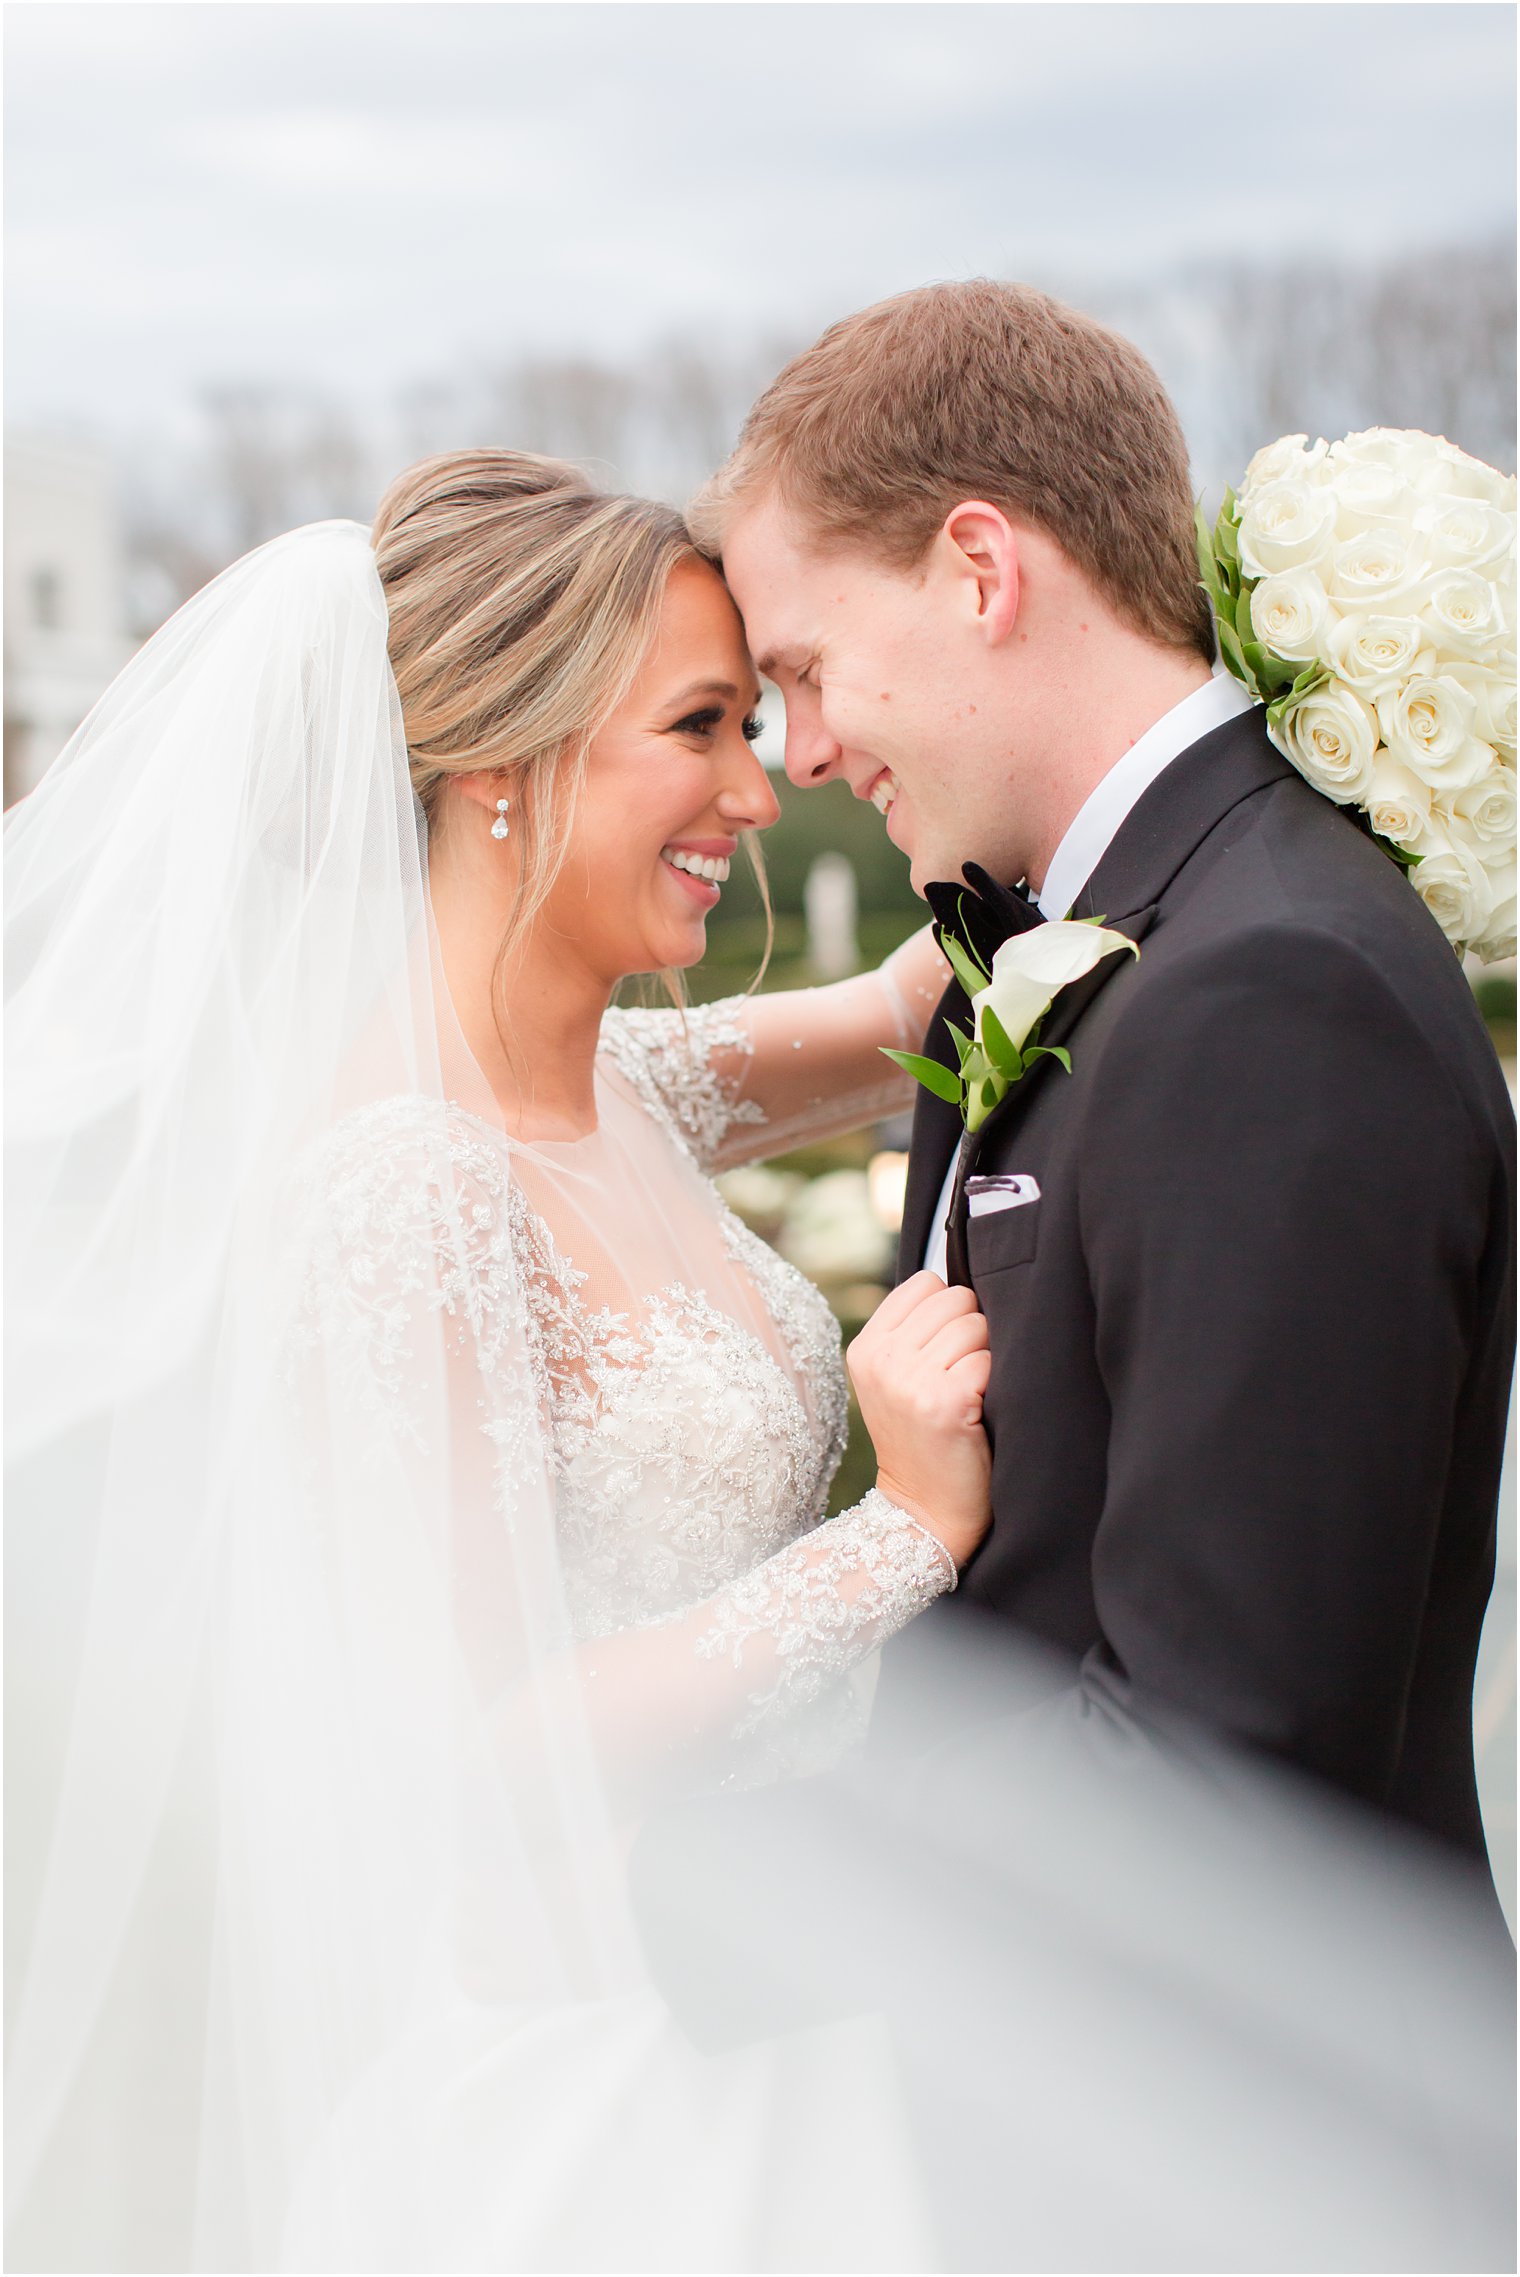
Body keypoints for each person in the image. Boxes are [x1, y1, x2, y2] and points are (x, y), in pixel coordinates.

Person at [5, 452, 992, 2270]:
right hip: (597, 2082)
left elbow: (891, 1018)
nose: (756, 793)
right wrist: (900, 1534)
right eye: (699, 729)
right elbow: (472, 1749)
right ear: (496, 768)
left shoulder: (609, 1086)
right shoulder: (402, 1179)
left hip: (771, 1978)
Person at [683, 278, 1515, 1882]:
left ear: (981, 570)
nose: (795, 755)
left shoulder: (1274, 992)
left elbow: (1219, 1757)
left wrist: (706, 1906)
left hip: (1225, 2107)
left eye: (806, 667)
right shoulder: (1095, 928)